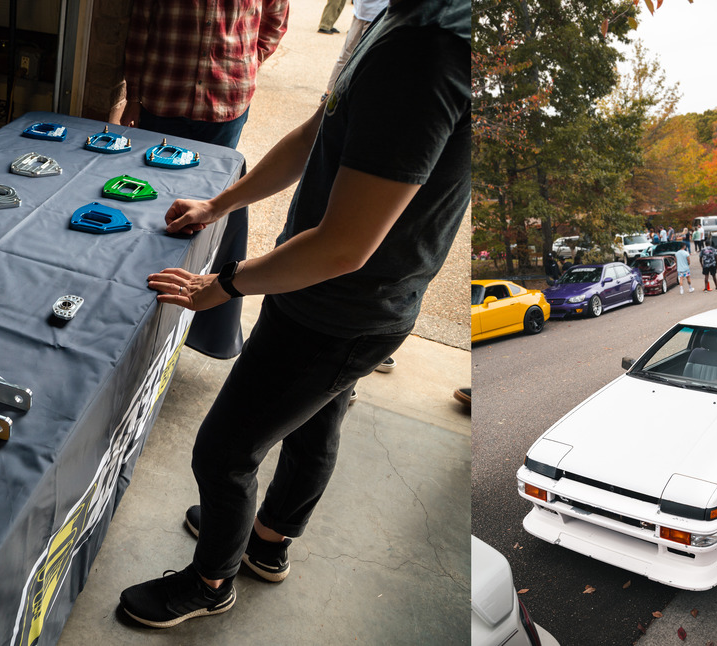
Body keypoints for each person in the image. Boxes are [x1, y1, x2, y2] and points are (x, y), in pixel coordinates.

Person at [118, 0, 470, 628]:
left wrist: (225, 283)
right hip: (338, 295)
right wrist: (219, 205)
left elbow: (344, 245)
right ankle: (268, 541)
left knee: (224, 452)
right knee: (315, 420)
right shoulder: (403, 21)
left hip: (340, 306)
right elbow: (318, 133)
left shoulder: (426, 59)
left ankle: (211, 581)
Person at [119, 0, 290, 360]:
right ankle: (138, 319)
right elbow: (140, 27)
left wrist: (246, 64)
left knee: (208, 216)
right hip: (162, 96)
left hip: (225, 103)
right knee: (153, 209)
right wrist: (133, 96)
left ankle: (192, 328)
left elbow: (275, 22)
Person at [325, 1, 389, 96]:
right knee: (360, 59)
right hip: (369, 14)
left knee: (350, 56)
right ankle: (331, 93)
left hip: (364, 13)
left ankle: (330, 93)